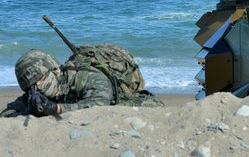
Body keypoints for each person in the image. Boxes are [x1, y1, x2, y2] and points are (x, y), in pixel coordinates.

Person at [1, 49, 163, 118]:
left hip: (122, 98)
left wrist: (57, 108)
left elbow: (100, 102)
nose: (38, 87)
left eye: (41, 79)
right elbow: (10, 111)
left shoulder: (84, 77)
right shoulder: (37, 92)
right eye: (32, 86)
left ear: (55, 71)